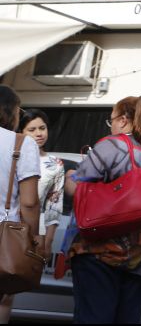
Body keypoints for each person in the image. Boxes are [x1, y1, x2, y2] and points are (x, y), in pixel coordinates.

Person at [62, 95, 141, 324]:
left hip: (98, 252)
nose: (110, 125)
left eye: (111, 120)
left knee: (92, 317)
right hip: (139, 256)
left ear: (123, 120)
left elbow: (77, 189)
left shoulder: (112, 145)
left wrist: (70, 176)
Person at [0, 86, 40, 323]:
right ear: (12, 111)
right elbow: (29, 202)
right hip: (3, 237)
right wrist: (33, 240)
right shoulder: (21, 143)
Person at [18, 109, 65, 260]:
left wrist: (48, 241)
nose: (39, 133)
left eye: (42, 128)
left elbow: (54, 205)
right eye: (32, 130)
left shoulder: (55, 163)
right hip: (6, 225)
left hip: (35, 231)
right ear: (21, 132)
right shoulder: (11, 157)